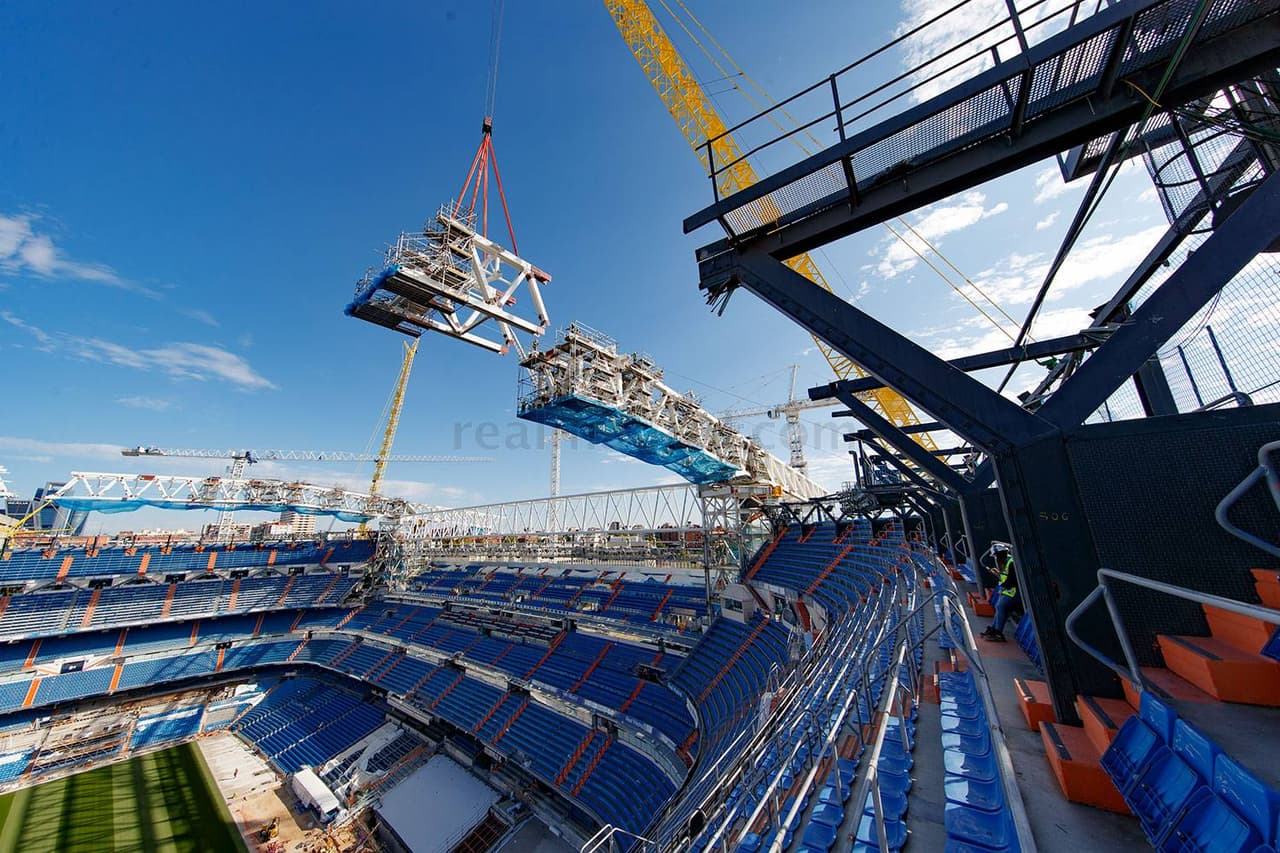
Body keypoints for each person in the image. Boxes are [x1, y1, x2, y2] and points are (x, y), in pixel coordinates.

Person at [981, 545, 1019, 642]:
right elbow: (1006, 577)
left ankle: (998, 633)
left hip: (1015, 592)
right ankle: (994, 629)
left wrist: (1002, 588)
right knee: (999, 606)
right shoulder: (1007, 562)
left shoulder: (1012, 563)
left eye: (996, 556)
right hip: (1009, 591)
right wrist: (997, 574)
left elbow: (1012, 580)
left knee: (1000, 606)